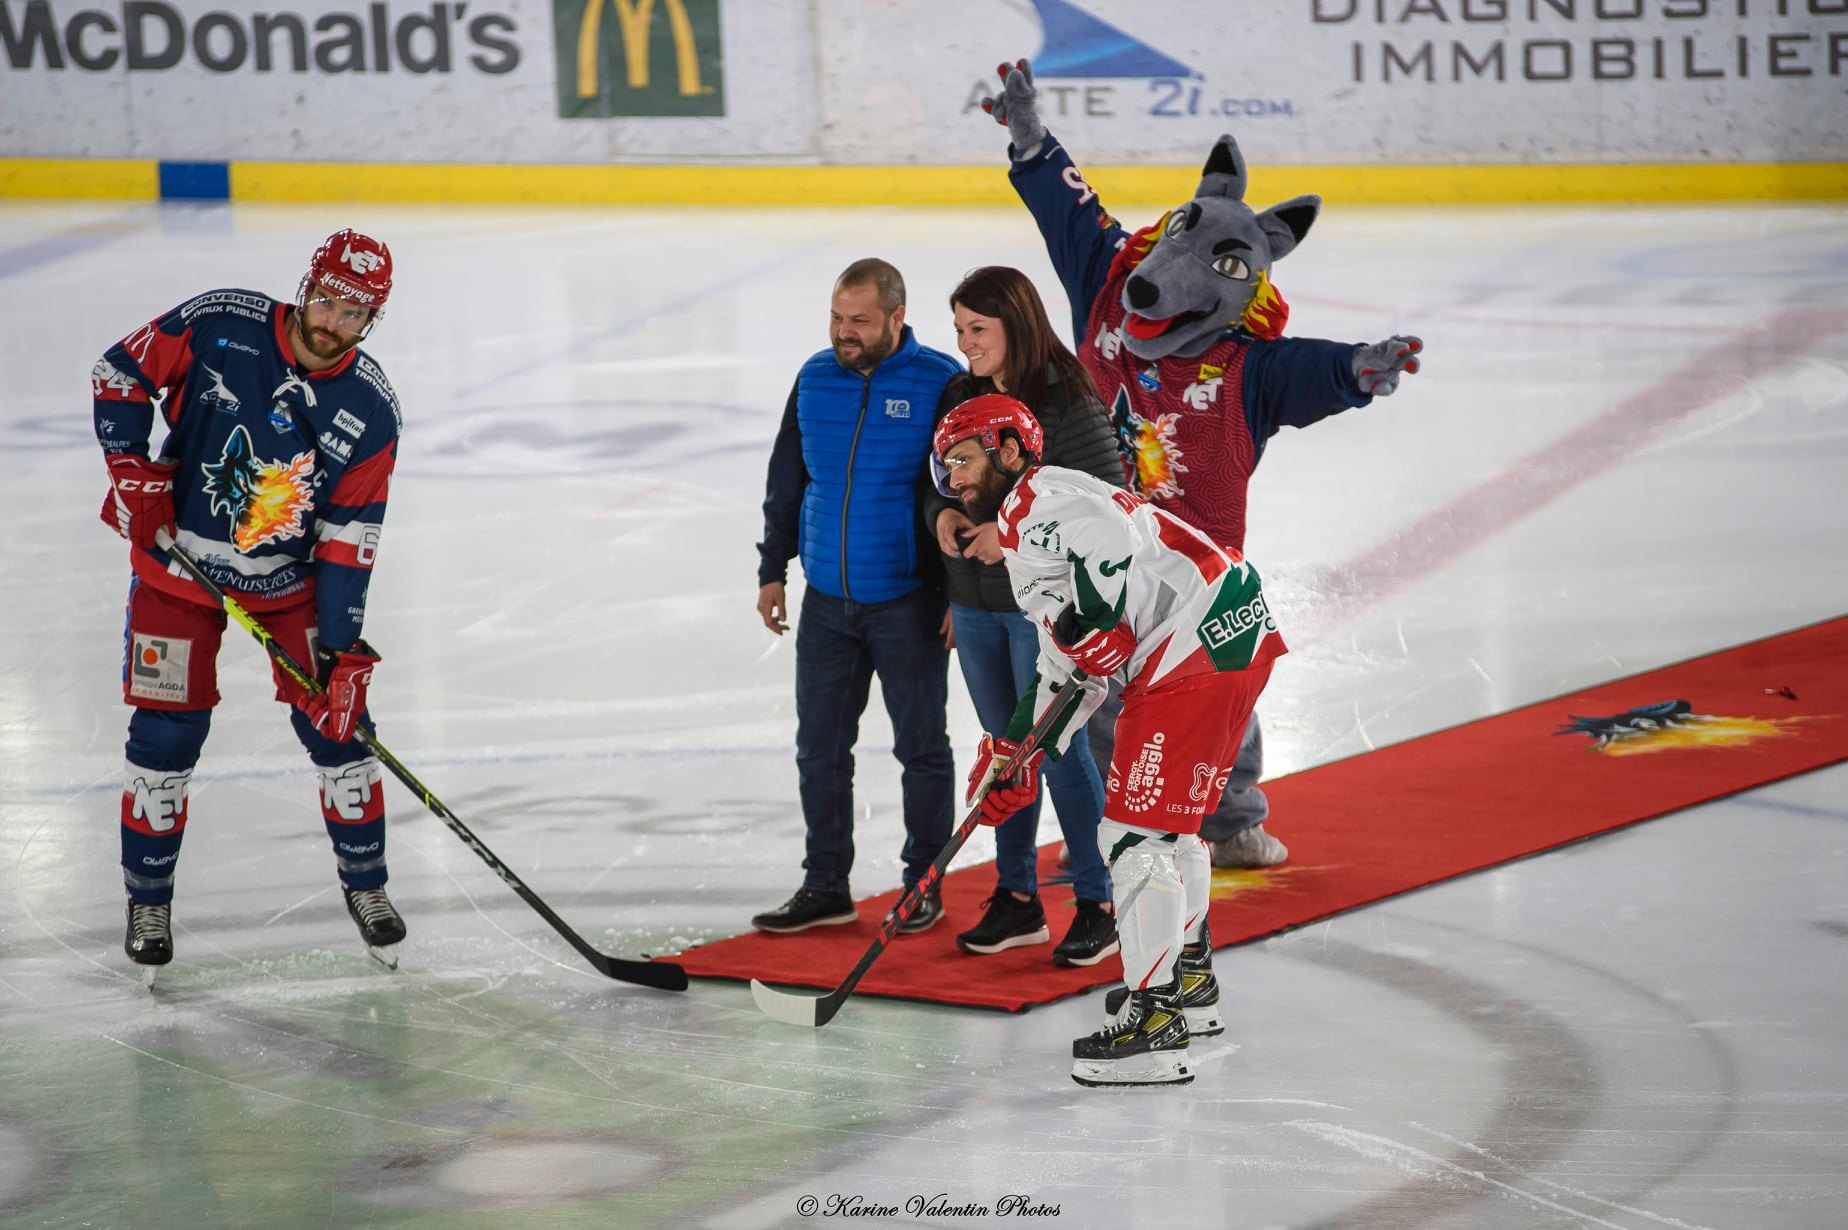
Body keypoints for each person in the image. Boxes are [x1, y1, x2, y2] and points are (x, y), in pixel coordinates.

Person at [977, 59, 1424, 871]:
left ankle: (1230, 818)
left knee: (1226, 682)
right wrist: (1032, 141)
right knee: (1107, 692)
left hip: (1204, 569)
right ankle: (1132, 825)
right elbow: (1073, 217)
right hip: (1107, 554)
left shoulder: (1248, 366)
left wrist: (1361, 368)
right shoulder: (1109, 291)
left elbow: (1314, 369)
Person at [933, 396, 1284, 1087]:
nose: (957, 480)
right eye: (948, 469)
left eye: (966, 459)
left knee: (1134, 838)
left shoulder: (1036, 504)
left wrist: (1096, 620)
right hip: (1232, 630)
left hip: (1192, 653)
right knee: (1173, 832)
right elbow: (1068, 663)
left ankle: (1155, 1024)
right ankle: (1187, 983)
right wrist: (1018, 752)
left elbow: (1106, 562)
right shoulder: (1036, 512)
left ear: (1008, 448)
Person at [92, 229, 407, 974]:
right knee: (167, 735)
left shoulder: (370, 409)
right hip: (180, 569)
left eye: (354, 314)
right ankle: (149, 899)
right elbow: (119, 373)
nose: (332, 322)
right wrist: (133, 471)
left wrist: (340, 649)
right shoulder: (219, 323)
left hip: (287, 588)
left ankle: (368, 888)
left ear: (373, 322)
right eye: (326, 299)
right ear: (306, 285)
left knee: (342, 731)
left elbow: (347, 538)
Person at [752, 259, 964, 935]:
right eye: (838, 319)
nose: (845, 333)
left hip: (909, 601)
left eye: (860, 321)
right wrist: (772, 568)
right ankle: (825, 885)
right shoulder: (815, 378)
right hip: (826, 603)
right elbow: (788, 474)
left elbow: (962, 493)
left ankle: (922, 884)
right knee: (819, 749)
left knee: (922, 749)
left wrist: (960, 594)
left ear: (897, 319)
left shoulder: (939, 383)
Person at [926, 267, 1121, 966]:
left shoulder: (1065, 400)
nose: (966, 342)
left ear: (1017, 324)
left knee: (1061, 754)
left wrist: (1005, 538)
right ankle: (1017, 898)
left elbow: (1110, 507)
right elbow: (941, 482)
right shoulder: (961, 394)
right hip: (975, 607)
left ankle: (1100, 900)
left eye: (979, 329)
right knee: (1000, 755)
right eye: (958, 329)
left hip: (1045, 614)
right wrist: (945, 515)